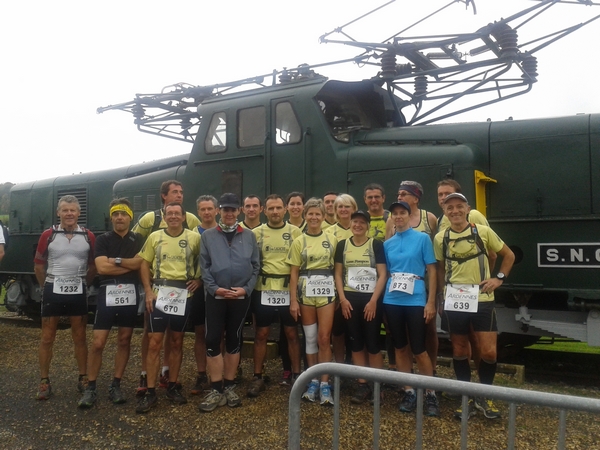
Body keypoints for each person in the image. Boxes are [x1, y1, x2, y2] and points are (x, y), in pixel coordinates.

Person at [434, 193, 515, 420]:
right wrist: (440, 296)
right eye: (450, 208)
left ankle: (485, 394)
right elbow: (440, 269)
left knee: (488, 351)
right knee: (460, 350)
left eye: (459, 206)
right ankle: (466, 396)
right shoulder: (440, 238)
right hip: (454, 299)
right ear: (445, 211)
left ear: (467, 208)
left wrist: (498, 278)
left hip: (482, 300)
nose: (455, 211)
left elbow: (508, 255)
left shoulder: (483, 232)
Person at [132, 180, 201, 395]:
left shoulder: (194, 233)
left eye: (181, 192)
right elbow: (142, 258)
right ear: (164, 212)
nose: (173, 216)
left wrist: (198, 280)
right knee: (153, 339)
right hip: (159, 292)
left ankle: (171, 381)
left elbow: (204, 260)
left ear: (183, 217)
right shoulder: (152, 230)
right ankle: (148, 383)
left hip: (183, 293)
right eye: (174, 192)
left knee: (177, 339)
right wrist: (148, 289)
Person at [78, 199, 144, 408]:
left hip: (130, 294)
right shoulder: (103, 239)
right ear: (111, 217)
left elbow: (141, 264)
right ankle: (91, 387)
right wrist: (128, 265)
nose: (119, 218)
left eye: (123, 214)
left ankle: (116, 384)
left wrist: (114, 261)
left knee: (124, 340)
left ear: (130, 217)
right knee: (98, 342)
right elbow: (102, 268)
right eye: (115, 214)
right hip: (107, 291)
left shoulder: (139, 239)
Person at [198, 193, 259, 413]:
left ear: (239, 211)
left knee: (235, 338)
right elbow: (204, 267)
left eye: (233, 210)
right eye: (225, 210)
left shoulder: (250, 236)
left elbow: (255, 267)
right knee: (213, 338)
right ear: (219, 211)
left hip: (240, 296)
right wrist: (215, 289)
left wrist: (246, 288)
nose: (229, 213)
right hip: (216, 296)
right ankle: (216, 387)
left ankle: (230, 384)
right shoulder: (208, 236)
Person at [34, 195, 97, 400]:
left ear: (79, 213)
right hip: (53, 286)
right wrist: (46, 286)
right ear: (58, 213)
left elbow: (93, 265)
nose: (69, 213)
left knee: (79, 337)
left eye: (73, 210)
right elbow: (39, 265)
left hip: (78, 288)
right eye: (65, 210)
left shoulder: (88, 236)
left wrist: (84, 283)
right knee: (47, 337)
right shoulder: (48, 235)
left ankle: (83, 377)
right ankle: (44, 381)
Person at [383, 200, 440, 416]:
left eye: (402, 213)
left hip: (416, 299)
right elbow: (386, 273)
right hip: (392, 299)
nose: (398, 217)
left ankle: (430, 393)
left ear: (409, 215)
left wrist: (431, 301)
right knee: (399, 347)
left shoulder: (423, 238)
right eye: (394, 214)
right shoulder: (388, 244)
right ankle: (408, 390)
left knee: (419, 348)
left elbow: (432, 271)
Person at [247, 194, 303, 397]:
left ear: (285, 209)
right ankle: (258, 376)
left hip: (288, 290)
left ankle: (297, 374)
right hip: (263, 289)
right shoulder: (255, 233)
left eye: (278, 208)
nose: (275, 212)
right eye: (271, 209)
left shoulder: (295, 232)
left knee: (291, 334)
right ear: (264, 211)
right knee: (261, 334)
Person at [288, 198, 337, 406]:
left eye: (318, 214)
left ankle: (325, 382)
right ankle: (314, 380)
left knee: (324, 338)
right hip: (305, 293)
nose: (314, 217)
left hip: (326, 293)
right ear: (305, 216)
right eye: (311, 214)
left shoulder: (332, 239)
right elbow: (293, 273)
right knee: (310, 338)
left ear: (324, 216)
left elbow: (338, 269)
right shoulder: (299, 240)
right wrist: (293, 302)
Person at [334, 210, 387, 404]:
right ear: (350, 224)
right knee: (355, 343)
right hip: (349, 299)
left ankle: (377, 386)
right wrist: (342, 299)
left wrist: (373, 300)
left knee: (372, 344)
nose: (358, 225)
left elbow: (382, 274)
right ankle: (362, 384)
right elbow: (338, 274)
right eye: (355, 222)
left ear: (367, 226)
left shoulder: (376, 245)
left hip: (371, 299)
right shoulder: (342, 245)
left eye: (362, 223)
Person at [190, 195, 219, 395]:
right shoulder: (191, 234)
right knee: (200, 332)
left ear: (216, 210)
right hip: (199, 289)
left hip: (220, 288)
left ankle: (223, 373)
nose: (207, 212)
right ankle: (202, 375)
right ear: (198, 212)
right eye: (203, 209)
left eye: (210, 208)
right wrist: (198, 279)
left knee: (220, 333)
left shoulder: (224, 231)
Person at [326, 194, 358, 365]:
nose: (344, 210)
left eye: (347, 206)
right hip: (336, 288)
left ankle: (354, 364)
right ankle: (339, 367)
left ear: (354, 208)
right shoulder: (329, 232)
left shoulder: (360, 228)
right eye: (340, 207)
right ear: (335, 210)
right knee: (337, 331)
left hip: (357, 288)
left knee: (355, 330)